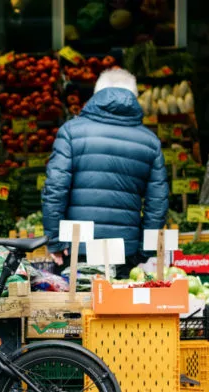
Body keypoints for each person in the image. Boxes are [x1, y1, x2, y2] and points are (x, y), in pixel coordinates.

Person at [42, 68, 168, 272]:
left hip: (76, 248)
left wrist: (55, 241)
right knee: (120, 302)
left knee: (78, 303)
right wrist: (144, 249)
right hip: (125, 250)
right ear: (134, 96)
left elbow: (55, 190)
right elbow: (157, 204)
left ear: (97, 93)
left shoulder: (71, 132)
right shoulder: (150, 142)